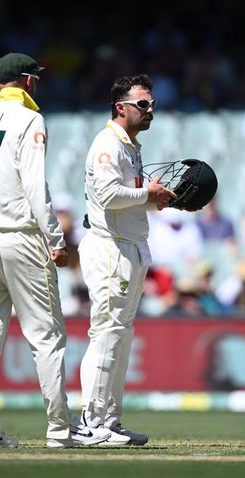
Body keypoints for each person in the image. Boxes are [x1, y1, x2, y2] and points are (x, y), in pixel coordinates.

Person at [0, 52, 110, 449]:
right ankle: (60, 429)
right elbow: (34, 185)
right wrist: (55, 239)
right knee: (46, 336)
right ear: (28, 81)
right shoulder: (30, 119)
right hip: (21, 235)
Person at [76, 74, 176, 446]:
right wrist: (147, 193)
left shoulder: (130, 146)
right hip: (110, 249)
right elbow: (106, 196)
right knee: (106, 334)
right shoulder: (108, 144)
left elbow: (126, 197)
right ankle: (90, 422)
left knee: (120, 335)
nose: (150, 111)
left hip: (129, 246)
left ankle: (109, 420)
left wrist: (155, 199)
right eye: (142, 104)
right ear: (121, 107)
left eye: (152, 104)